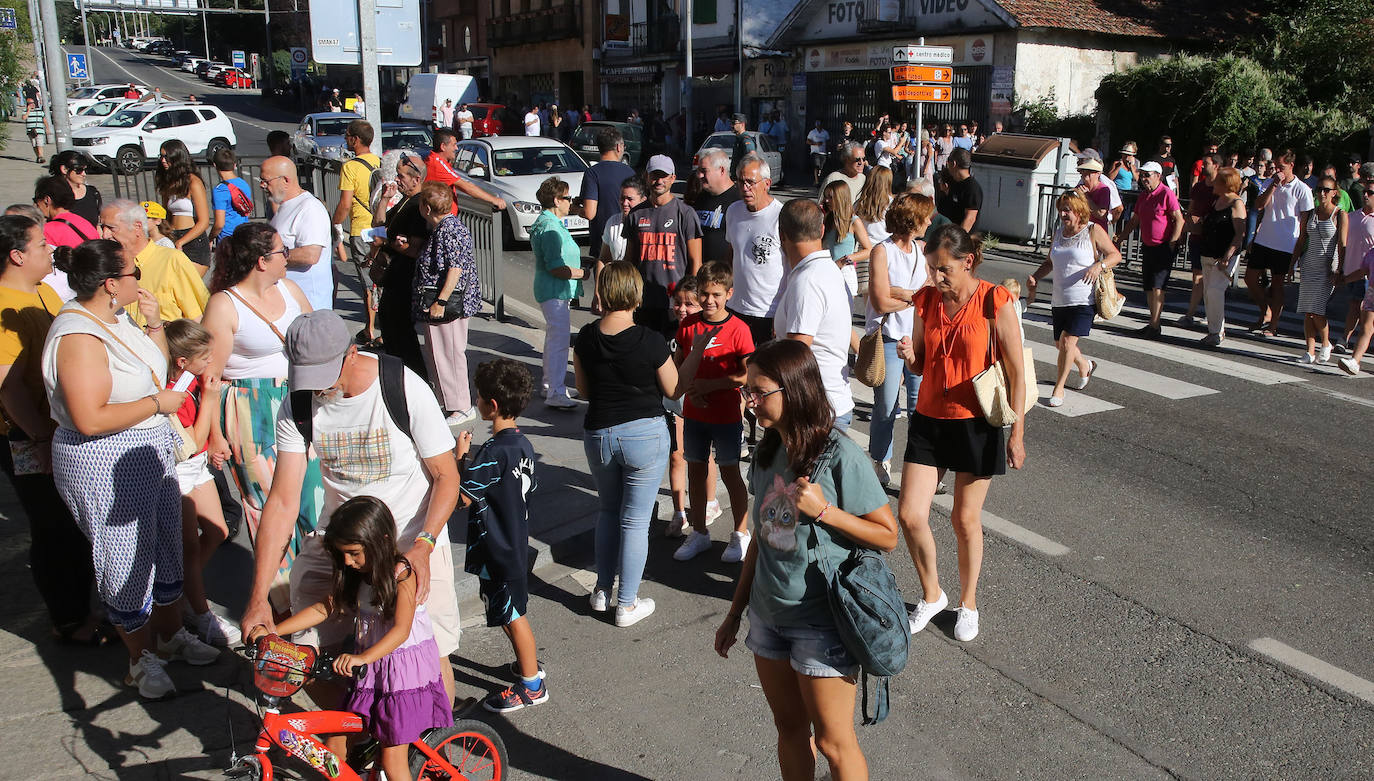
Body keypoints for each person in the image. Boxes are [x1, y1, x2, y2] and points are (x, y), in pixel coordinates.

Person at [239, 309, 462, 705]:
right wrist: (258, 596)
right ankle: (356, 743)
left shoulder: (403, 386)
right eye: (307, 378)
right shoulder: (299, 404)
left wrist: (424, 547)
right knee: (300, 654)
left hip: (411, 539)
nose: (318, 389)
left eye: (326, 376)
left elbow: (447, 476)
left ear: (352, 353)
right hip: (338, 541)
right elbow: (283, 500)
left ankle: (432, 756)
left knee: (429, 655)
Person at [713, 338, 897, 781]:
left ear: (793, 390)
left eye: (760, 392)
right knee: (789, 729)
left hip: (821, 622)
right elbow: (761, 537)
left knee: (835, 744)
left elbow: (888, 536)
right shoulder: (767, 450)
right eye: (747, 391)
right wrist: (735, 613)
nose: (750, 401)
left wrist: (826, 512)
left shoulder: (840, 456)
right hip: (768, 616)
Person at [42, 239, 218, 699]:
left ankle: (168, 637)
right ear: (109, 284)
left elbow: (154, 366)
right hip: (103, 461)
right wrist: (157, 403)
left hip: (145, 453)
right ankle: (139, 661)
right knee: (125, 561)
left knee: (163, 548)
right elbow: (89, 417)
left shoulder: (115, 317)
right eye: (132, 274)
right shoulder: (80, 336)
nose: (138, 280)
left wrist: (156, 322)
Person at [897, 224, 1027, 643]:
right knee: (910, 514)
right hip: (930, 418)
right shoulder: (926, 301)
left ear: (967, 261)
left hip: (976, 422)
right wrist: (909, 355)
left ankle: (968, 603)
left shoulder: (994, 300)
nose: (936, 277)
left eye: (944, 269)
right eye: (932, 268)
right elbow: (919, 365)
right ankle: (932, 594)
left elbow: (1016, 374)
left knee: (964, 519)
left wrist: (1017, 433)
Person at [265, 497, 454, 781]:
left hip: (402, 674)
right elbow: (324, 608)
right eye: (342, 554)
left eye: (353, 553)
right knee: (336, 742)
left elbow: (401, 631)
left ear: (380, 540)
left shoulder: (402, 575)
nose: (347, 562)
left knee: (393, 761)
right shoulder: (357, 576)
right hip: (371, 669)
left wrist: (362, 657)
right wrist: (273, 631)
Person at [573, 262, 700, 627]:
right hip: (644, 433)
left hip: (599, 432)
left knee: (608, 511)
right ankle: (626, 604)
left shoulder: (585, 336)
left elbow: (582, 390)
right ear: (635, 294)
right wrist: (698, 351)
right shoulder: (650, 340)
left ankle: (601, 590)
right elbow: (675, 389)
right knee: (635, 521)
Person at [0, 215, 99, 646]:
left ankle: (82, 607)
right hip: (27, 436)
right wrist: (40, 438)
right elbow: (9, 388)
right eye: (41, 245)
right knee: (52, 525)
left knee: (69, 522)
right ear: (17, 255)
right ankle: (69, 619)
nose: (50, 250)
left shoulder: (41, 290)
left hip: (54, 430)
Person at [200, 223, 321, 572]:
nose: (289, 256)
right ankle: (283, 600)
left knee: (314, 496)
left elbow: (318, 338)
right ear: (261, 262)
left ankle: (320, 587)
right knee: (267, 503)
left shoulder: (291, 289)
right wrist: (215, 435)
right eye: (282, 251)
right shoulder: (224, 305)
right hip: (250, 408)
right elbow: (210, 377)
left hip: (300, 397)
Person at [453, 358, 545, 712]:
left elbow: (462, 497)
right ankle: (527, 664)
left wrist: (461, 458)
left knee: (512, 616)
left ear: (491, 405)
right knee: (511, 612)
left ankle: (532, 684)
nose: (476, 401)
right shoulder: (522, 446)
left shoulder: (492, 453)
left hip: (496, 549)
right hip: (514, 544)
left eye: (478, 397)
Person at [671, 262, 754, 563]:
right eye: (704, 294)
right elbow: (678, 365)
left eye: (716, 294)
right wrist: (685, 386)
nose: (709, 301)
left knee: (731, 473)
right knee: (695, 471)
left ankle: (740, 534)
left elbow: (747, 375)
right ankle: (699, 532)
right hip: (693, 414)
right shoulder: (688, 326)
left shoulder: (739, 329)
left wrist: (709, 385)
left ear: (729, 293)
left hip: (727, 415)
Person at [161, 319, 238, 646]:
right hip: (179, 470)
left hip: (198, 466)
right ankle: (199, 610)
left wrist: (217, 438)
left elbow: (206, 429)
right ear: (182, 362)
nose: (211, 361)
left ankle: (181, 592)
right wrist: (209, 395)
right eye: (204, 356)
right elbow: (189, 441)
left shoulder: (194, 379)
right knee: (190, 546)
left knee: (218, 531)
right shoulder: (173, 391)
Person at [1026, 192, 1121, 405]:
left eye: (1067, 209)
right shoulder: (1059, 233)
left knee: (1068, 342)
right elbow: (1050, 262)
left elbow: (1115, 255)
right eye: (1061, 209)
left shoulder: (1092, 231)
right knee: (1060, 344)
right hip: (1060, 299)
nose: (1063, 213)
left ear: (1079, 210)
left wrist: (1099, 265)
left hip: (1084, 299)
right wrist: (1035, 277)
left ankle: (1058, 389)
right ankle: (1085, 365)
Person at [865, 193, 934, 483]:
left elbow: (931, 290)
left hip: (917, 337)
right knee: (886, 407)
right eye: (926, 216)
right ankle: (880, 460)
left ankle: (921, 465)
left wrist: (899, 292)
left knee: (921, 406)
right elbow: (880, 301)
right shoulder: (882, 251)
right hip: (890, 339)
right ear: (913, 220)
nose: (930, 221)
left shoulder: (922, 251)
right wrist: (912, 297)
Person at [773, 199, 855, 428]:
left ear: (782, 236)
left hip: (815, 410)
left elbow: (797, 351)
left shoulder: (807, 281)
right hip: (825, 405)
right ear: (821, 230)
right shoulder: (828, 270)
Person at [412, 182, 480, 424]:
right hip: (447, 301)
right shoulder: (445, 227)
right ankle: (452, 403)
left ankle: (460, 406)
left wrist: (440, 301)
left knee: (449, 353)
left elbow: (455, 269)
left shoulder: (449, 230)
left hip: (449, 304)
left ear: (427, 208)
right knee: (443, 353)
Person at [623, 155, 702, 337]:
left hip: (675, 303)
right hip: (643, 301)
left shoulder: (686, 213)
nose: (659, 181)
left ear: (673, 178)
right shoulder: (635, 214)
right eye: (654, 175)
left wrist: (690, 300)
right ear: (646, 177)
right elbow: (630, 260)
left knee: (674, 359)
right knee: (644, 359)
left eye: (664, 176)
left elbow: (696, 261)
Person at [97, 199, 208, 327]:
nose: (105, 235)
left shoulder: (172, 260)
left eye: (111, 228)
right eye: (102, 227)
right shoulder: (105, 266)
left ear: (137, 227)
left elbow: (200, 317)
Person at [373, 151, 432, 377]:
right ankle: (400, 374)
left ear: (416, 179)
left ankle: (414, 378)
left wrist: (389, 242)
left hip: (405, 279)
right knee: (389, 327)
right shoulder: (404, 201)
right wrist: (386, 199)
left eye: (402, 176)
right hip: (393, 277)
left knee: (401, 333)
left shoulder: (418, 206)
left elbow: (415, 248)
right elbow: (378, 225)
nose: (397, 180)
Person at [531, 176, 587, 409]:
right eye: (567, 198)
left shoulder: (550, 222)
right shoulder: (550, 226)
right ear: (556, 200)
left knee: (554, 340)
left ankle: (552, 385)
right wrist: (581, 273)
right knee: (559, 342)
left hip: (554, 291)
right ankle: (555, 390)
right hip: (555, 290)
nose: (570, 202)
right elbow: (555, 266)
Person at [1246, 150, 1314, 337]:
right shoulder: (1270, 182)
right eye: (1276, 167)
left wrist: (1298, 252)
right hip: (1264, 239)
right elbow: (1259, 206)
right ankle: (1264, 312)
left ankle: (1273, 325)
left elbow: (1304, 224)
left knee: (1277, 286)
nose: (1278, 170)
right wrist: (1274, 185)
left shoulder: (1303, 190)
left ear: (1291, 166)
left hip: (1285, 244)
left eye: (1282, 167)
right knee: (1250, 279)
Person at [1113, 161, 1184, 337]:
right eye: (1143, 175)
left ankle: (1155, 324)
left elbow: (1179, 219)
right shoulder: (1144, 195)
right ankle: (1153, 322)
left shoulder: (1166, 193)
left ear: (1157, 176)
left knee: (1158, 287)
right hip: (1148, 245)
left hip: (1163, 246)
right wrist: (1120, 239)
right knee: (1149, 286)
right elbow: (1134, 220)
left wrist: (1172, 242)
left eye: (1147, 175)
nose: (1144, 179)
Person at [724, 154, 785, 347]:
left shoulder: (780, 216)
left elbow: (792, 266)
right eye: (740, 182)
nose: (744, 188)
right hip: (736, 307)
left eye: (751, 182)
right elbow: (732, 252)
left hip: (768, 311)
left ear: (767, 183)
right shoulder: (733, 211)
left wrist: (782, 311)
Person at [261, 156, 333, 312]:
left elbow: (310, 255)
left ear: (286, 180)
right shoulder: (285, 206)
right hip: (290, 305)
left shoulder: (309, 208)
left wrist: (265, 257)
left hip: (308, 308)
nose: (262, 185)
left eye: (266, 181)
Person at [333, 120, 382, 343]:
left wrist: (334, 224)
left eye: (348, 136)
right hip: (381, 228)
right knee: (381, 279)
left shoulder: (350, 167)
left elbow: (345, 203)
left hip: (361, 229)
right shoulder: (380, 162)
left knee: (368, 281)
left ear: (355, 139)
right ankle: (383, 327)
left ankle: (370, 329)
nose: (345, 139)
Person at [1293, 176, 1347, 364]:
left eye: (1326, 190)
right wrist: (1292, 264)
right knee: (1307, 310)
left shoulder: (1340, 215)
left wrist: (1340, 269)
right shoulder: (1309, 213)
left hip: (1327, 268)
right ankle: (1309, 351)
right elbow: (1301, 240)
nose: (1322, 193)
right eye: (1319, 189)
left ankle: (1325, 343)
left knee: (1317, 310)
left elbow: (1342, 244)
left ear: (1334, 193)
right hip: (1308, 265)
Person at [1193, 167, 1248, 347]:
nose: (1213, 184)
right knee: (1209, 293)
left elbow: (1239, 234)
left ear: (1226, 184)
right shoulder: (1218, 201)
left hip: (1223, 257)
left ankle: (1216, 332)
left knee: (1214, 291)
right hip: (1208, 252)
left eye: (1217, 181)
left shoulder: (1236, 204)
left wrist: (1227, 256)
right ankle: (1215, 330)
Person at [580, 127, 636, 263]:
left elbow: (589, 213)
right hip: (629, 240)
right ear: (618, 147)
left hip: (602, 242)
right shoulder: (630, 172)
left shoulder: (592, 173)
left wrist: (574, 209)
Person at [155, 140, 212, 269]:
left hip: (193, 241)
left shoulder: (193, 182)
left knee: (188, 287)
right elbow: (166, 215)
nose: (163, 160)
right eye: (161, 156)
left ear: (177, 157)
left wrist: (181, 241)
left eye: (167, 157)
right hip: (173, 236)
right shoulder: (168, 182)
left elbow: (204, 222)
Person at [422, 127, 507, 212]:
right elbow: (465, 186)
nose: (456, 148)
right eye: (454, 145)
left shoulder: (438, 161)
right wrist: (494, 199)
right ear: (443, 146)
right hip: (440, 218)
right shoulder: (437, 164)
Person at [1339, 166, 1374, 353]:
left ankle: (1344, 339)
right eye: (1365, 191)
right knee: (1359, 308)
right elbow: (1342, 243)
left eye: (1371, 192)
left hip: (1368, 275)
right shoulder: (1352, 216)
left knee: (1357, 305)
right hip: (1351, 270)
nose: (1366, 195)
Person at [821, 180, 873, 300]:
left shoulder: (854, 221)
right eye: (826, 197)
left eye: (831, 197)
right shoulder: (828, 218)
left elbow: (868, 249)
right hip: (828, 269)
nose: (827, 200)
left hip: (845, 271)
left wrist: (846, 259)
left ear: (840, 198)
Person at [690, 149, 740, 266]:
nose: (699, 175)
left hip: (724, 278)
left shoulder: (738, 201)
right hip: (699, 275)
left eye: (704, 171)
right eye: (698, 171)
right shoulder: (700, 198)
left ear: (721, 170)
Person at [595, 176, 646, 275]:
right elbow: (604, 258)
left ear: (643, 200)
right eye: (622, 198)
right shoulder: (612, 222)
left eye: (630, 199)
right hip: (617, 284)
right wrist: (598, 287)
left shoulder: (648, 224)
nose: (625, 203)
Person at [1337, 247, 1374, 376]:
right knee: (1366, 328)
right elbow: (1362, 272)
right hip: (1372, 293)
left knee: (1367, 328)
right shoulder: (1371, 253)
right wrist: (1346, 279)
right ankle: (1354, 361)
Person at [33, 175, 97, 248]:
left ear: (47, 200)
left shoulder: (48, 231)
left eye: (36, 200)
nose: (36, 205)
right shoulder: (85, 223)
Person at [210, 148, 254, 244]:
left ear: (215, 165)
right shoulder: (243, 184)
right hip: (243, 235)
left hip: (227, 239)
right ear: (234, 165)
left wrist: (210, 238)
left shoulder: (220, 190)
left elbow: (219, 224)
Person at [48, 151, 102, 226]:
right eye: (79, 170)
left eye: (85, 170)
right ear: (64, 169)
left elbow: (97, 225)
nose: (84, 174)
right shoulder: (51, 194)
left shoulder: (92, 193)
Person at [937, 148, 982, 232]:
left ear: (953, 163)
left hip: (960, 239)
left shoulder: (971, 188)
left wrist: (958, 240)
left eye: (948, 161)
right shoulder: (953, 182)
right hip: (947, 234)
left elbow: (970, 218)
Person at [821, 143, 867, 207]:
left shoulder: (863, 179)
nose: (861, 163)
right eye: (857, 159)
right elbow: (821, 206)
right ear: (846, 159)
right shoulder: (833, 178)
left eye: (864, 159)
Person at [23, 96, 49, 164]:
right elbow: (24, 118)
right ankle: (38, 156)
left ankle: (41, 156)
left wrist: (47, 128)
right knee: (34, 145)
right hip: (30, 131)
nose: (32, 104)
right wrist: (28, 110)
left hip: (39, 130)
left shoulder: (39, 111)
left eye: (33, 103)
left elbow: (44, 120)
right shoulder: (25, 111)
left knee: (39, 144)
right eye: (30, 103)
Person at [808, 120, 830, 186]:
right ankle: (817, 181)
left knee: (821, 167)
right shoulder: (812, 132)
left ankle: (818, 179)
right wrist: (815, 143)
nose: (818, 125)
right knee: (816, 166)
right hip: (815, 152)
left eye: (819, 124)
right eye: (817, 124)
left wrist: (829, 152)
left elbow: (828, 142)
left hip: (823, 152)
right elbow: (808, 141)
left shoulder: (825, 133)